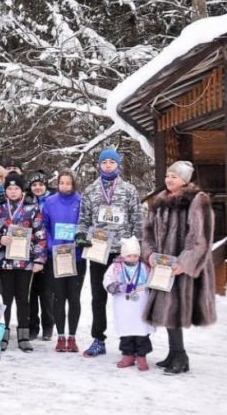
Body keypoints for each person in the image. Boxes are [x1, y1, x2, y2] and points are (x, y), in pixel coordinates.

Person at [142, 161, 217, 375]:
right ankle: (175, 354)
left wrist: (183, 263)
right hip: (162, 267)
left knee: (175, 310)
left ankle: (181, 355)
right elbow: (147, 232)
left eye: (174, 176)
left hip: (181, 268)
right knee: (167, 309)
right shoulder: (159, 200)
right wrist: (150, 254)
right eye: (167, 175)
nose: (169, 179)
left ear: (185, 180)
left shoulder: (197, 200)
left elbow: (201, 239)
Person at [76, 148, 142, 358]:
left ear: (117, 165)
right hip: (98, 251)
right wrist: (80, 234)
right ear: (99, 165)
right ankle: (98, 339)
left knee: (125, 295)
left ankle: (128, 341)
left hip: (122, 252)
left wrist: (135, 245)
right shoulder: (91, 190)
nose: (107, 166)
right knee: (98, 297)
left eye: (111, 162)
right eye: (104, 162)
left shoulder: (128, 189)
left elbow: (137, 218)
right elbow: (84, 218)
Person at [0, 172, 47, 352]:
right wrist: (0, 239)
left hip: (25, 262)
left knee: (24, 299)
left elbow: (40, 234)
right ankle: (3, 333)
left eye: (16, 188)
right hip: (4, 261)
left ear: (22, 190)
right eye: (9, 188)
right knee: (5, 298)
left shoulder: (32, 207)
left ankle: (23, 334)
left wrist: (39, 259)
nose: (13, 191)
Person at [42, 171, 85, 353]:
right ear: (57, 184)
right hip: (57, 257)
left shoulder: (81, 201)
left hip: (76, 257)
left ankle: (72, 337)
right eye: (62, 183)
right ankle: (60, 337)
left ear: (73, 184)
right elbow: (44, 226)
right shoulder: (50, 202)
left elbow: (87, 224)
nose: (65, 186)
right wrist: (51, 245)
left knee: (74, 298)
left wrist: (81, 242)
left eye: (68, 183)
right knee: (58, 298)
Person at [103, 236, 154, 372]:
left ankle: (141, 356)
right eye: (129, 256)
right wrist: (117, 287)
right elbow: (107, 280)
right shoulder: (115, 267)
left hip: (140, 302)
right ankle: (128, 355)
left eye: (136, 255)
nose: (133, 258)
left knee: (141, 331)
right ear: (123, 255)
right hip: (123, 303)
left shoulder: (144, 266)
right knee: (126, 331)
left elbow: (153, 280)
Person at [26, 169, 55, 341]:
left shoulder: (51, 201)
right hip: (29, 252)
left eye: (41, 184)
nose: (37, 187)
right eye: (34, 185)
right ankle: (32, 326)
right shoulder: (27, 202)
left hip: (48, 252)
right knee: (31, 293)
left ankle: (48, 325)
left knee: (46, 292)